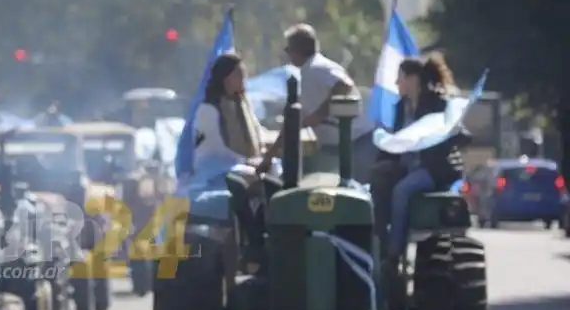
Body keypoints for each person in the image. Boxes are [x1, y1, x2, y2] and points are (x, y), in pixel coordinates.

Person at [376, 53, 468, 261]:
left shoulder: (438, 103)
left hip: (433, 167)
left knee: (401, 190)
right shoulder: (401, 107)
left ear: (412, 79)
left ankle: (394, 250)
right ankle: (378, 239)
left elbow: (457, 133)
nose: (396, 82)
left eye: (400, 77)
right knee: (378, 183)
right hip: (408, 165)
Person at [191, 52, 267, 263]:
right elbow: (216, 146)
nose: (244, 80)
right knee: (240, 183)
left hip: (246, 163)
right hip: (216, 168)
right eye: (239, 75)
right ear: (226, 78)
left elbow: (258, 134)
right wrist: (246, 162)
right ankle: (253, 240)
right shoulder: (208, 110)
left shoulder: (243, 105)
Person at [258, 23, 362, 176]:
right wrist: (270, 155)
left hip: (351, 143)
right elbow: (295, 120)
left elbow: (344, 85)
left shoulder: (316, 67)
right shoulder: (308, 73)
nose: (287, 54)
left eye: (288, 50)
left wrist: (320, 114)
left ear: (297, 49)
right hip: (333, 144)